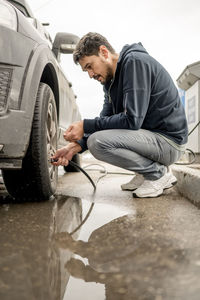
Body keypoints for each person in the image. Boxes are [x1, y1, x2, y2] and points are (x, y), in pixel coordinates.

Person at [52, 32, 188, 198]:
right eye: (85, 70)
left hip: (170, 143)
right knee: (97, 137)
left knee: (98, 142)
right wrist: (74, 146)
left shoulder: (135, 63)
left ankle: (157, 174)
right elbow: (104, 119)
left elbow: (132, 120)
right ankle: (144, 172)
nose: (90, 74)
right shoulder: (109, 82)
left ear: (104, 52)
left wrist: (84, 125)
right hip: (152, 140)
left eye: (90, 66)